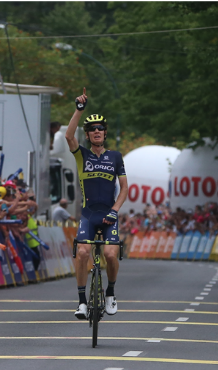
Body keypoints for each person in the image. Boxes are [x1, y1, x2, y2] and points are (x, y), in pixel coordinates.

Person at [65, 87, 128, 320]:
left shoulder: (115, 157)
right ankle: (82, 301)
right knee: (82, 252)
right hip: (89, 214)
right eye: (92, 129)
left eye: (101, 128)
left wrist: (115, 211)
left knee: (111, 255)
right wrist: (78, 110)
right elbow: (68, 136)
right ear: (88, 134)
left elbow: (125, 189)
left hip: (109, 214)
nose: (97, 131)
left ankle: (110, 292)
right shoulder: (81, 155)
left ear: (106, 132)